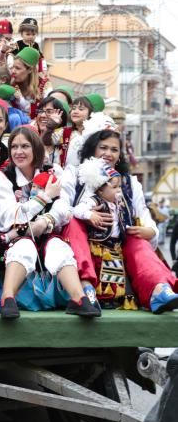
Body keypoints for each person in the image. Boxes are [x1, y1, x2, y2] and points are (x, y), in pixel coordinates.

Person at [61, 129, 178, 313]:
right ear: (92, 150)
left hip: (118, 244)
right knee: (72, 224)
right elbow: (62, 208)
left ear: (119, 156)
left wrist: (151, 231)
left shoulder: (130, 183)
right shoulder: (74, 175)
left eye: (114, 150)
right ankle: (85, 289)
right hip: (82, 246)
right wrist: (87, 215)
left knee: (137, 238)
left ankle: (158, 291)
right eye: (103, 148)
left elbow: (144, 214)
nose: (108, 153)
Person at [0, 126, 100, 320]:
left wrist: (45, 220)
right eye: (14, 147)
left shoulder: (53, 171)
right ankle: (7, 298)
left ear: (36, 148)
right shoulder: (2, 178)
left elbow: (64, 208)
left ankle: (79, 299)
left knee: (58, 248)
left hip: (48, 233)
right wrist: (44, 198)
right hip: (17, 237)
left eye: (25, 146)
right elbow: (12, 216)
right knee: (24, 248)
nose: (19, 152)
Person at [75, 156, 135, 307]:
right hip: (99, 246)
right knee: (100, 272)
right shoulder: (94, 201)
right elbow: (78, 209)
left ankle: (112, 297)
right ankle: (100, 297)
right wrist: (90, 214)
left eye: (120, 187)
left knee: (115, 273)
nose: (119, 190)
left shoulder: (119, 205)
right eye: (115, 187)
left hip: (115, 245)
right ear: (100, 189)